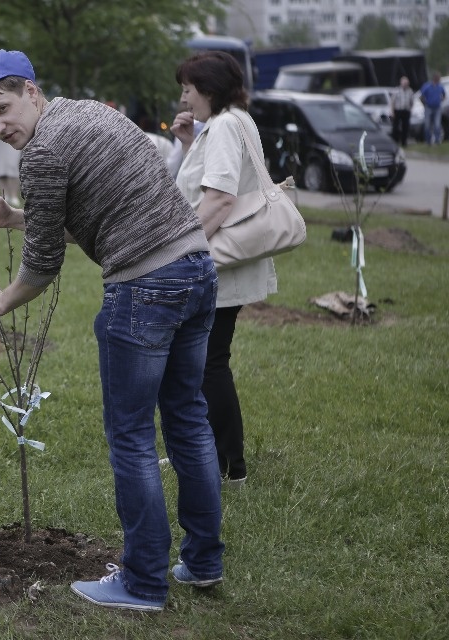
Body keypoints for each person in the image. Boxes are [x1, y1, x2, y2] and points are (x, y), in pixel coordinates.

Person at [0, 49, 223, 612]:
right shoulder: (88, 114)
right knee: (188, 421)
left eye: (3, 107)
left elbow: (44, 263)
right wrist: (17, 216)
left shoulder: (43, 150)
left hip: (145, 287)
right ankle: (202, 562)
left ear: (31, 90)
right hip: (197, 271)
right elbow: (101, 207)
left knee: (131, 438)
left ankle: (143, 583)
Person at [170, 51, 276, 489]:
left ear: (209, 89)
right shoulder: (232, 122)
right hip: (220, 264)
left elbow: (220, 198)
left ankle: (230, 465)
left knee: (209, 364)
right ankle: (210, 455)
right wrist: (191, 144)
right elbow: (220, 177)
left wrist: (178, 248)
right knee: (206, 362)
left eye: (188, 89)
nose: (183, 96)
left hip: (217, 265)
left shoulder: (229, 124)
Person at [419, 73, 446, 145]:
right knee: (427, 125)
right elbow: (421, 96)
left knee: (437, 124)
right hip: (428, 107)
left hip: (437, 108)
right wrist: (425, 104)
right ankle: (428, 141)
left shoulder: (440, 86)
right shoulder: (427, 86)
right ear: (435, 78)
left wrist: (440, 100)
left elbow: (444, 95)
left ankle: (437, 141)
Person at [390, 76, 414, 147]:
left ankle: (404, 142)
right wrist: (392, 112)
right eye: (404, 83)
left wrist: (410, 109)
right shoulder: (396, 90)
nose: (405, 84)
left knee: (405, 127)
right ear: (401, 83)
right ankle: (395, 141)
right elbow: (392, 102)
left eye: (406, 83)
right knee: (395, 127)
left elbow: (412, 102)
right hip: (397, 110)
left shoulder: (410, 91)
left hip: (406, 111)